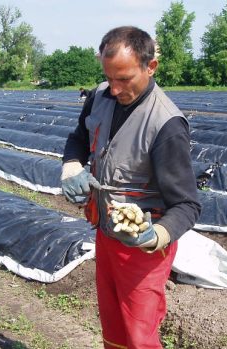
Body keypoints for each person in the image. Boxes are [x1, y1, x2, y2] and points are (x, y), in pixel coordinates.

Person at [61, 26, 201, 349]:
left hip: (143, 251)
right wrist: (71, 167)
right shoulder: (99, 96)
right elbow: (78, 139)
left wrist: (155, 237)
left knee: (140, 337)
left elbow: (188, 206)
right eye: (109, 77)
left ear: (150, 67)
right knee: (113, 331)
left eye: (124, 79)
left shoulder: (166, 125)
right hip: (106, 234)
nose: (115, 87)